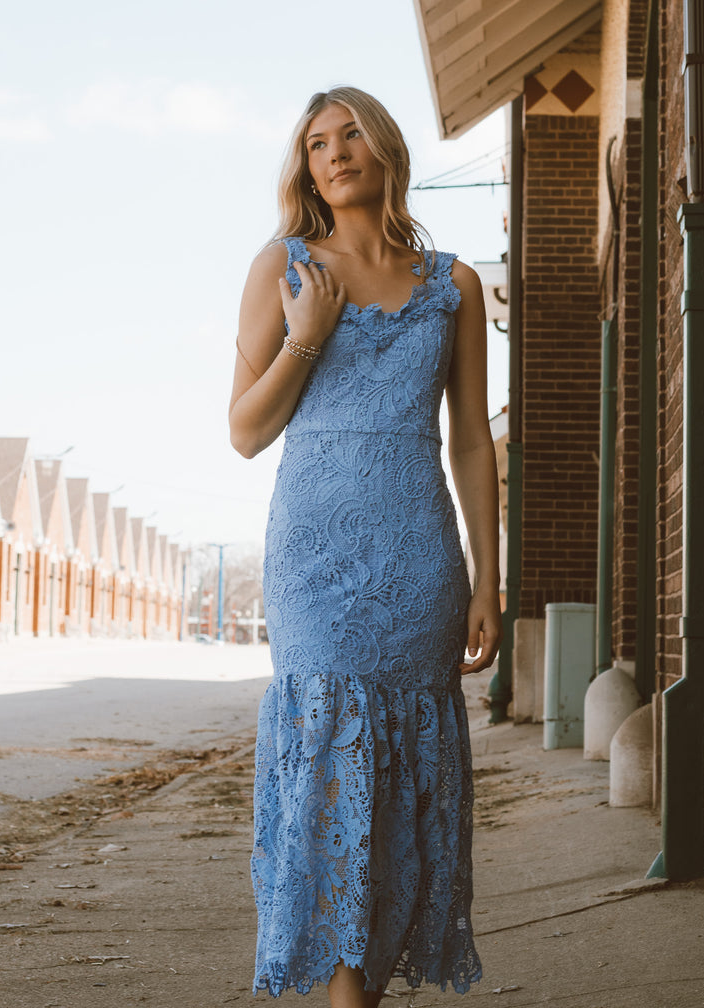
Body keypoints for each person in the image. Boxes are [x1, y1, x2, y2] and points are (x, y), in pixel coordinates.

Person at [228, 86, 502, 1007]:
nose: (335, 153)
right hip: (313, 562)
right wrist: (304, 342)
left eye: (350, 135)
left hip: (418, 559)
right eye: (315, 143)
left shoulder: (453, 286)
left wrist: (488, 579)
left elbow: (470, 441)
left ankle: (365, 991)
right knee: (335, 778)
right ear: (304, 167)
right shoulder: (285, 268)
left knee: (403, 793)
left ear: (384, 149)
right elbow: (243, 432)